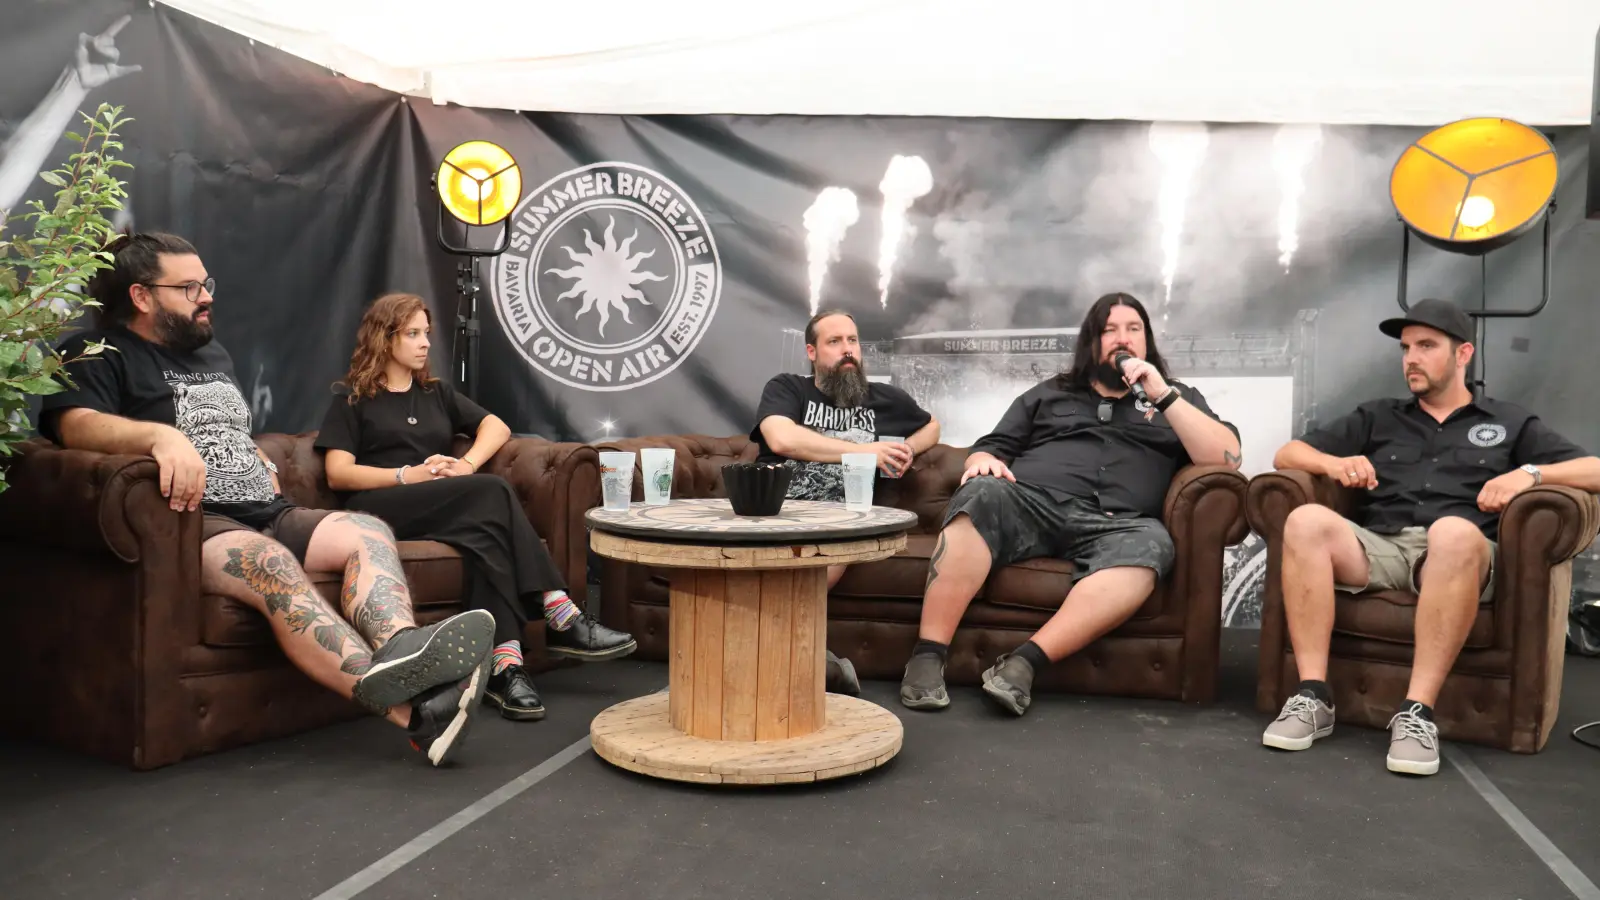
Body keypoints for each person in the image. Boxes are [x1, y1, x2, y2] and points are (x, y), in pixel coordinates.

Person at [40, 232, 495, 766]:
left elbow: (219, 424)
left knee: (366, 532)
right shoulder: (98, 352)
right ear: (142, 297)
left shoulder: (210, 351)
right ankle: (419, 715)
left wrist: (252, 454)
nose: (206, 296)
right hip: (199, 522)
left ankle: (403, 650)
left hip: (269, 510)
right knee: (270, 563)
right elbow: (75, 424)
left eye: (206, 283)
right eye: (189, 288)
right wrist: (160, 438)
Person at [1261, 297, 1600, 775]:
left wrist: (1530, 474)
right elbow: (1287, 453)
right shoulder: (1379, 416)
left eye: (1425, 346)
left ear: (1463, 355)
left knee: (1453, 531)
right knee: (1304, 521)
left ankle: (1416, 712)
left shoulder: (1507, 422)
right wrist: (1335, 464)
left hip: (1458, 556)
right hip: (1382, 546)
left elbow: (1595, 469)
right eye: (1405, 348)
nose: (1410, 359)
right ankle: (1313, 695)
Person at [897, 292, 1241, 716]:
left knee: (1152, 546)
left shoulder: (1178, 399)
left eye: (1134, 330)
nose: (1123, 339)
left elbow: (1228, 459)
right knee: (981, 493)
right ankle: (928, 656)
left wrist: (1162, 395)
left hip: (1119, 523)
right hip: (1034, 503)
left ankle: (1023, 663)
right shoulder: (1051, 393)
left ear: (1147, 342)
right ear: (1091, 343)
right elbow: (992, 446)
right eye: (1109, 330)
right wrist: (983, 460)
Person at [316, 293, 636, 722]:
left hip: (440, 504)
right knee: (493, 492)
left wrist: (464, 465)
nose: (425, 343)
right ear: (384, 338)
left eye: (426, 333)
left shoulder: (435, 393)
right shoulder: (353, 398)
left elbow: (495, 426)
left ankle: (505, 666)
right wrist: (404, 475)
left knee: (485, 536)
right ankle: (560, 612)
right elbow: (338, 472)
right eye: (412, 334)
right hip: (379, 507)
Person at [751, 308, 941, 694]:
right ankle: (820, 665)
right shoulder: (788, 388)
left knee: (836, 543)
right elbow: (781, 439)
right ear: (811, 351)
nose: (848, 350)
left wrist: (908, 448)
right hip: (775, 508)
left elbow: (932, 426)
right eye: (834, 342)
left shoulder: (883, 398)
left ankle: (806, 664)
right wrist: (863, 452)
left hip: (840, 517)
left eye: (853, 341)